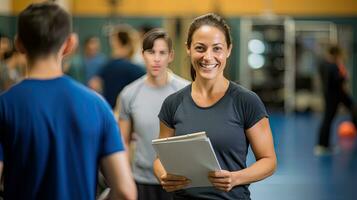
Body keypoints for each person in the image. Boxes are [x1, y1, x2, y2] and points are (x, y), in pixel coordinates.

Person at [0, 2, 136, 199]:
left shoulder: (5, 106)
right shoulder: (97, 106)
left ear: (19, 43)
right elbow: (125, 191)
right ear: (70, 44)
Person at [153, 13, 277, 199]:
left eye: (217, 49)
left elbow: (269, 161)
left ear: (228, 50)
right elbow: (160, 159)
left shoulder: (246, 101)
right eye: (200, 48)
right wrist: (163, 175)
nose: (208, 57)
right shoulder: (173, 103)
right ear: (188, 49)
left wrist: (236, 178)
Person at [116, 29, 189, 200]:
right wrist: (124, 178)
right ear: (143, 55)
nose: (156, 59)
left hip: (177, 180)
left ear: (170, 56)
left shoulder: (186, 92)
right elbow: (123, 142)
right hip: (141, 180)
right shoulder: (129, 93)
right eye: (151, 52)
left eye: (162, 53)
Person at [89, 25, 146, 109]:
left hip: (110, 111)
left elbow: (93, 85)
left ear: (116, 43)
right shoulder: (137, 69)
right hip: (130, 113)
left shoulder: (108, 66)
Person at [315, 44, 357, 155]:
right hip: (334, 95)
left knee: (330, 118)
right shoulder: (332, 66)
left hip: (333, 95)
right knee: (328, 119)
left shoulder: (325, 64)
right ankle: (322, 145)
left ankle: (324, 144)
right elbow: (340, 80)